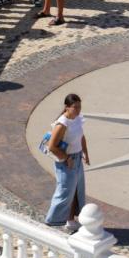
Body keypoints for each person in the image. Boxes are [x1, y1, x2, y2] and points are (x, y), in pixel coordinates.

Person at [45, 94, 90, 231]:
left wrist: (85, 153)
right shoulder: (62, 124)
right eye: (75, 107)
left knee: (76, 190)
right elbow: (52, 146)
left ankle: (70, 221)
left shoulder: (77, 119)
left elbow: (81, 137)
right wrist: (67, 158)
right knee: (64, 192)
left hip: (76, 158)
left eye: (79, 107)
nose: (78, 110)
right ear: (67, 107)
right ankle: (52, 222)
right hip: (67, 161)